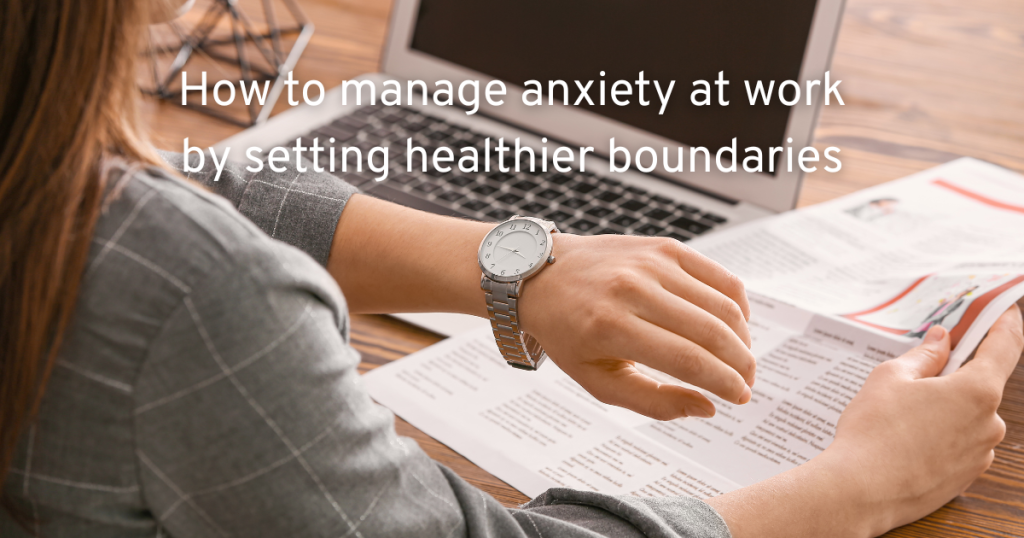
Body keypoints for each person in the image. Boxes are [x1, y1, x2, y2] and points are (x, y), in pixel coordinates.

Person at [0, 1, 1020, 537]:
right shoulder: (189, 298)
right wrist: (856, 488)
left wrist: (518, 263)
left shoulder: (36, 164)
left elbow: (170, 179)